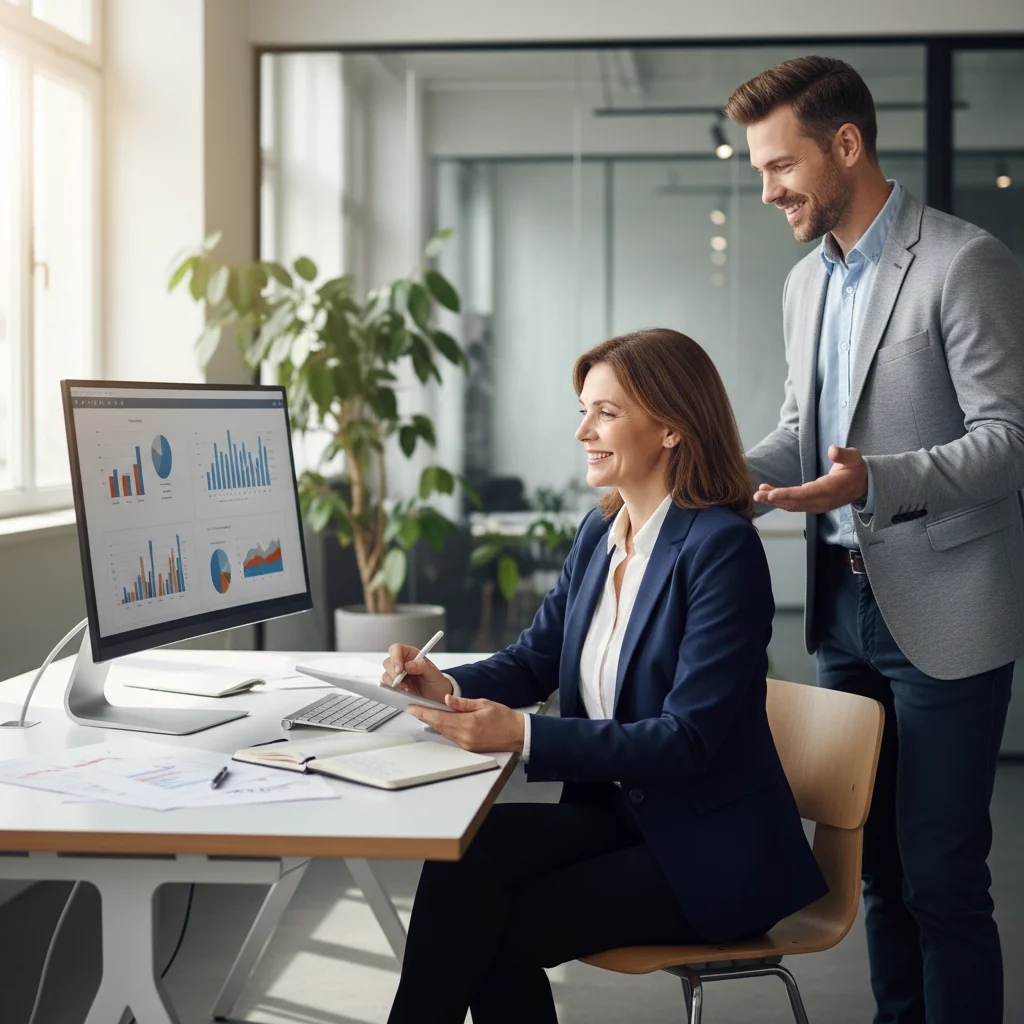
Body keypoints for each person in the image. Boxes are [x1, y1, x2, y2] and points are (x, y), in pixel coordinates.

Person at [380, 328, 827, 1024]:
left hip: (709, 852)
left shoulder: (720, 550)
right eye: (583, 409)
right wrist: (444, 685)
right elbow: (533, 660)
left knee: (495, 928)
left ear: (673, 428)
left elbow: (685, 741)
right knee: (465, 861)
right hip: (622, 819)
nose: (583, 429)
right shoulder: (601, 533)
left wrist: (525, 737)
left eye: (606, 412)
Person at [726, 56, 1024, 1024]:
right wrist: (713, 481)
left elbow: (1008, 441)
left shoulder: (962, 261)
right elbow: (796, 432)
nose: (766, 190)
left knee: (941, 873)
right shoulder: (805, 283)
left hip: (943, 613)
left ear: (845, 145)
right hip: (839, 614)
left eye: (779, 167)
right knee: (874, 867)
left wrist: (878, 482)